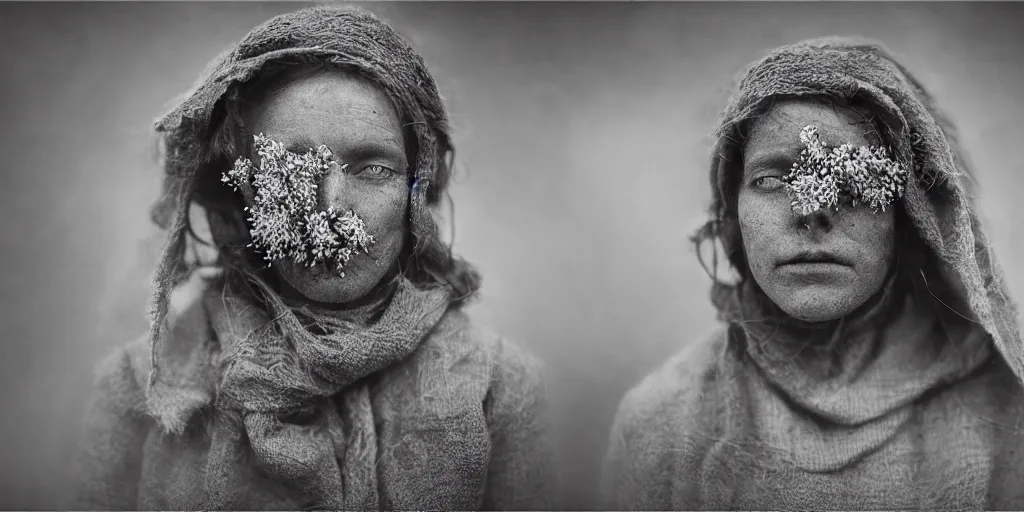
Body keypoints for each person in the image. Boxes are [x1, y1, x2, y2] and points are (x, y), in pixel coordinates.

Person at [71, 6, 554, 510]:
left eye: (372, 168)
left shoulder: (499, 386)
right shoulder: (137, 389)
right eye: (292, 167)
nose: (331, 208)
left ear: (418, 185)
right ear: (242, 191)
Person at [601, 37, 1024, 510]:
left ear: (909, 216)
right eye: (771, 179)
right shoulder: (666, 421)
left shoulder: (1004, 415)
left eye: (849, 178)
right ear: (731, 213)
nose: (812, 208)